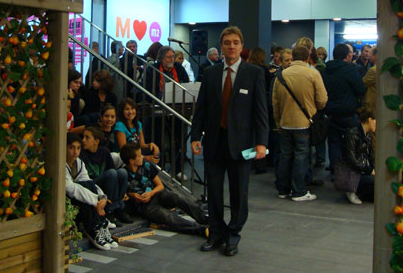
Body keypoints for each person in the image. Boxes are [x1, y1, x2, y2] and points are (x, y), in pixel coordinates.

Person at [190, 26, 268, 257]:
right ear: (221, 47)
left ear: (242, 46)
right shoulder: (210, 73)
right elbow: (201, 108)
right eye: (227, 43)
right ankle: (215, 233)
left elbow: (261, 111)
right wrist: (195, 136)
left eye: (235, 42)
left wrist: (262, 142)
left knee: (239, 193)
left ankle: (233, 235)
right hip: (214, 142)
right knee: (213, 192)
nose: (231, 46)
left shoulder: (254, 73)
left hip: (242, 145)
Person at [272, 45, 328, 202]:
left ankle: (283, 189)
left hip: (285, 122)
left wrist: (278, 122)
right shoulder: (313, 74)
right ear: (308, 57)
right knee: (301, 156)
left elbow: (275, 103)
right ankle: (299, 191)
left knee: (285, 156)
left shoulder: (281, 75)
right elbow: (322, 100)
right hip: (304, 122)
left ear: (293, 57)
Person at [121, 143, 208, 236]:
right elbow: (124, 194)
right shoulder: (124, 174)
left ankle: (204, 218)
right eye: (139, 156)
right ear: (132, 161)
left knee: (177, 197)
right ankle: (201, 230)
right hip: (145, 206)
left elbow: (160, 185)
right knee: (169, 217)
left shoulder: (146, 165)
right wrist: (132, 195)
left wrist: (151, 193)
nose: (142, 157)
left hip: (156, 195)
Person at [65, 135, 117, 251]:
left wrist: (102, 197)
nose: (75, 152)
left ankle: (100, 224)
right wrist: (95, 201)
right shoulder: (61, 165)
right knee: (81, 191)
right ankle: (94, 227)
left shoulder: (79, 163)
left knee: (88, 184)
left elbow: (88, 182)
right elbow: (71, 189)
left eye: (78, 148)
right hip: (66, 203)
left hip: (80, 200)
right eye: (71, 148)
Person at [322, 44, 366, 175]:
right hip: (348, 113)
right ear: (348, 56)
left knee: (333, 142)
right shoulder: (350, 70)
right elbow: (361, 89)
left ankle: (335, 170)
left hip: (330, 113)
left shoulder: (325, 70)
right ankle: (348, 172)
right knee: (350, 144)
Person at [80, 128, 129, 224]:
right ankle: (110, 210)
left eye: (87, 138)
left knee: (122, 172)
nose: (83, 140)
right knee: (112, 173)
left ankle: (119, 208)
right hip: (92, 184)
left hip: (107, 182)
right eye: (83, 137)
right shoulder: (81, 153)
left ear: (96, 141)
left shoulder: (104, 151)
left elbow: (113, 170)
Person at [336, 108, 376, 204]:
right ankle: (352, 189)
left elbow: (371, 155)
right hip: (353, 173)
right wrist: (369, 170)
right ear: (370, 120)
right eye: (376, 121)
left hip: (361, 170)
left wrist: (374, 169)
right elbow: (351, 159)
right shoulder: (352, 133)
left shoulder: (367, 135)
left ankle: (360, 192)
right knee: (375, 183)